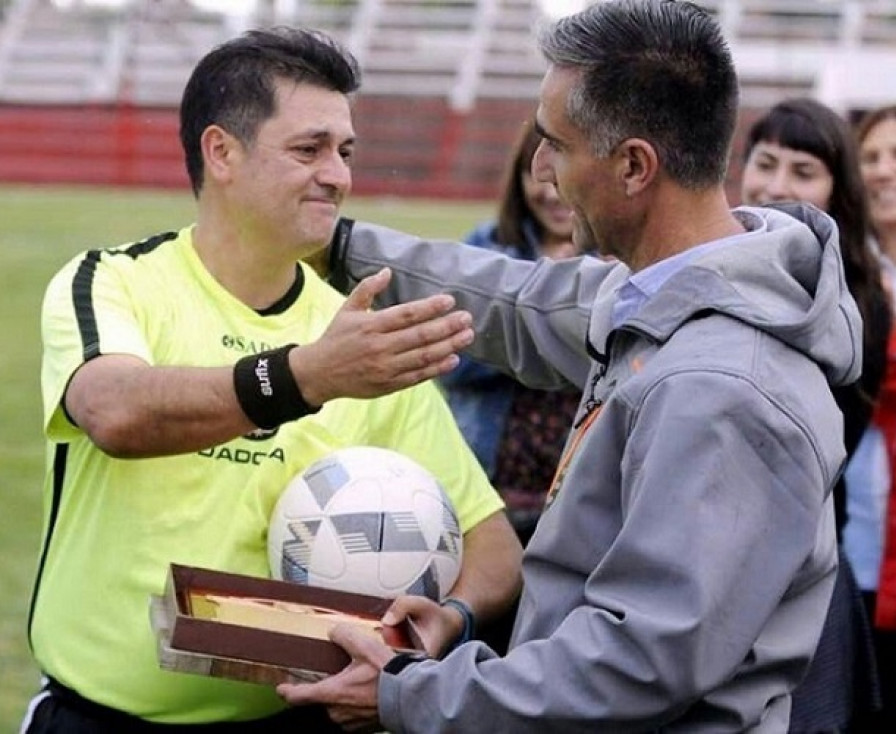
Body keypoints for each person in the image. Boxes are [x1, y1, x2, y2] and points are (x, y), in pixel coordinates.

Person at [277, 1, 863, 730]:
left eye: (555, 142)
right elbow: (516, 301)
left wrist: (412, 692)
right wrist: (334, 246)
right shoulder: (668, 292)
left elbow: (637, 662)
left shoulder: (722, 387)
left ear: (633, 166)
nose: (541, 168)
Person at [19, 26, 522, 733]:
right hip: (99, 718)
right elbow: (115, 412)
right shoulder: (116, 283)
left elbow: (494, 546)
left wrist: (444, 624)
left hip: (298, 721)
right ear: (221, 152)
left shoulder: (358, 333)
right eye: (308, 149)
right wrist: (305, 376)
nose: (338, 176)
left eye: (345, 152)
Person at [740, 97, 887, 732]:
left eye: (804, 172)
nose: (776, 186)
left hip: (803, 571)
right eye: (765, 163)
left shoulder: (857, 310)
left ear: (838, 191)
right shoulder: (706, 272)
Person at [443, 121, 585, 547]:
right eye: (536, 172)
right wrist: (539, 304)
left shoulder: (617, 262)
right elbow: (450, 363)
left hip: (576, 506)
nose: (552, 192)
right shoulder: (486, 250)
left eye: (566, 173)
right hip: (489, 491)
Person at [846, 101, 896, 734]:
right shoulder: (839, 266)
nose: (885, 171)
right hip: (856, 536)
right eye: (869, 157)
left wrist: (869, 343)